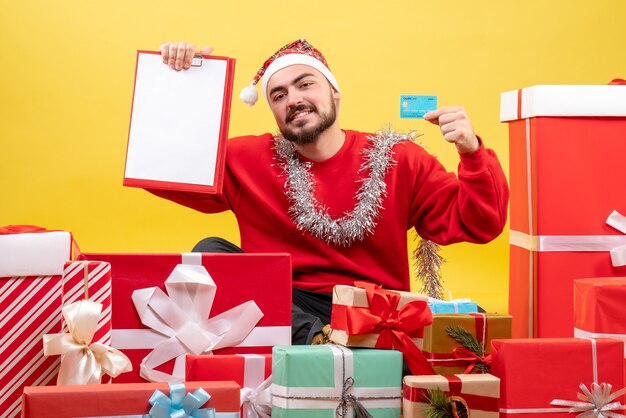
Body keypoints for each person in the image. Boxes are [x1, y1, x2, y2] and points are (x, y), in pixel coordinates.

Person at [148, 39, 509, 345]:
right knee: (211, 252)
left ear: (335, 92)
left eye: (305, 85)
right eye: (278, 94)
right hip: (284, 306)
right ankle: (318, 345)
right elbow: (159, 169)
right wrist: (181, 84)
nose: (292, 99)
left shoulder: (401, 159)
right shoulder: (246, 159)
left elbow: (480, 223)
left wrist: (471, 152)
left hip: (373, 309)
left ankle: (343, 350)